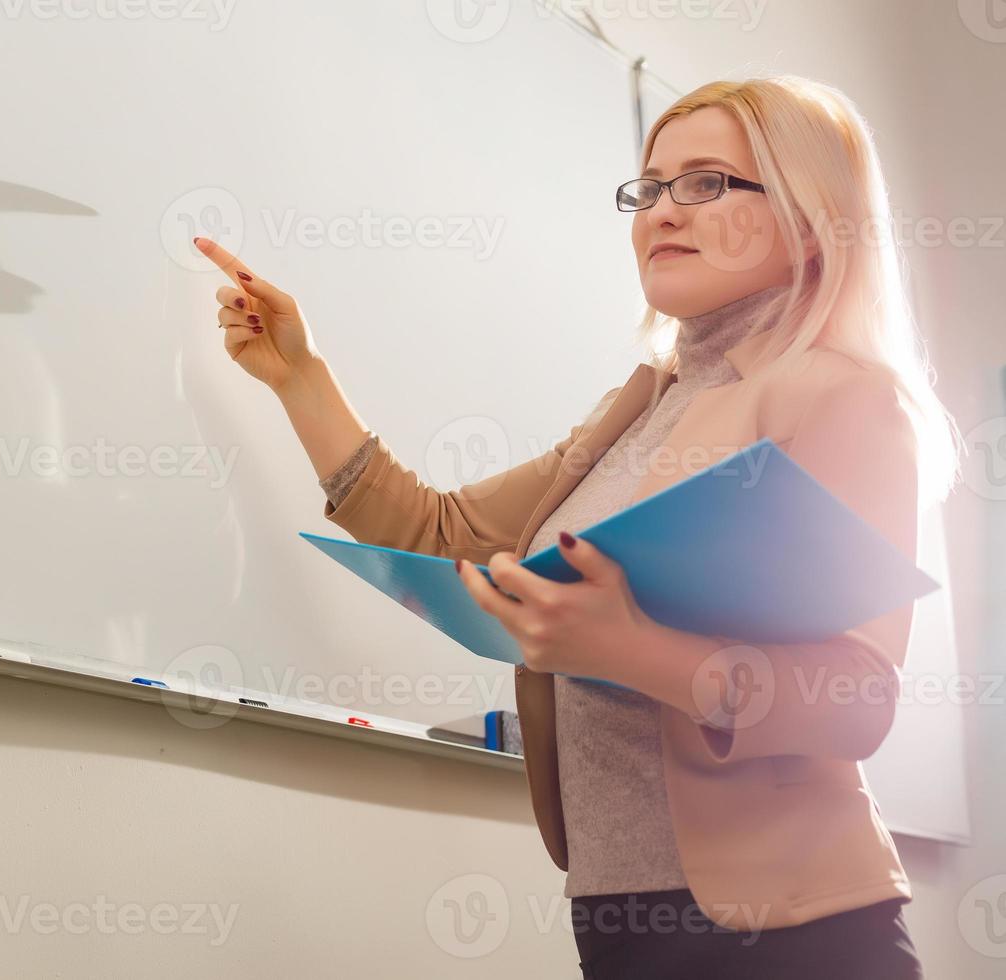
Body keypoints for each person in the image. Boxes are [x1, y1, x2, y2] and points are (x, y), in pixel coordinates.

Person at [195, 75, 962, 978]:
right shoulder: (640, 407)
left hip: (789, 931)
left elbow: (858, 698)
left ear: (808, 216)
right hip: (617, 916)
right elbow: (443, 536)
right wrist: (300, 379)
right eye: (650, 186)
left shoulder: (843, 398)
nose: (662, 212)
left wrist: (626, 645)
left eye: (708, 182)